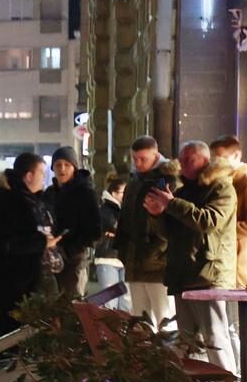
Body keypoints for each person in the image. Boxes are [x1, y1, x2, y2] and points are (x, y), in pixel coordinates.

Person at [147, 139, 238, 379]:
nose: (184, 164)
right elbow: (169, 232)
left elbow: (209, 221)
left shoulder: (221, 187)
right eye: (182, 159)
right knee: (189, 339)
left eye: (191, 159)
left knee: (215, 336)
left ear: (205, 160)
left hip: (208, 273)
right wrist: (158, 214)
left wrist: (172, 204)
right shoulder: (183, 190)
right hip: (183, 274)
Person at [0, 152, 60, 346]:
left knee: (26, 336)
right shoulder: (8, 203)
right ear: (29, 176)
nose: (44, 178)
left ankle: (16, 370)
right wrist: (42, 242)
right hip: (13, 284)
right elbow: (7, 244)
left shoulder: (29, 200)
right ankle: (7, 373)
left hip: (26, 281)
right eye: (41, 172)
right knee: (12, 336)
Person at [114, 136, 180, 330]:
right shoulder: (135, 180)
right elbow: (126, 217)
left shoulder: (168, 179)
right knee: (139, 318)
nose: (138, 163)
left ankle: (167, 358)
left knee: (164, 317)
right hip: (136, 258)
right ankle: (143, 358)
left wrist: (160, 247)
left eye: (143, 158)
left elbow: (173, 222)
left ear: (156, 153)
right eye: (135, 158)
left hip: (160, 261)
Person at [43, 145, 102, 299]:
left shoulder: (85, 193)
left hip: (74, 261)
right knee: (51, 308)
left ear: (74, 167)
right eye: (58, 165)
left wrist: (69, 250)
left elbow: (94, 232)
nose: (62, 169)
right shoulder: (50, 193)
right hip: (50, 260)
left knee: (73, 308)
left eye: (67, 164)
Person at [210, 136, 247, 290]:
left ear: (236, 156)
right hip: (223, 263)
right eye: (214, 159)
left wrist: (222, 229)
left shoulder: (245, 183)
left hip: (238, 265)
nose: (217, 163)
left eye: (222, 158)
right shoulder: (218, 182)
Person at [89, 171, 128, 309]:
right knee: (109, 300)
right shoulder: (106, 208)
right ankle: (108, 330)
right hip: (107, 257)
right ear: (114, 193)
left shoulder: (125, 209)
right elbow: (114, 227)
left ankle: (124, 329)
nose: (126, 196)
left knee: (126, 301)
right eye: (123, 192)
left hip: (124, 259)